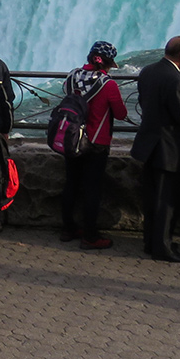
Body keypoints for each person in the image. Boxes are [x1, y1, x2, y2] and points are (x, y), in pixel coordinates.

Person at [132, 36, 180, 263]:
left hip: (148, 144)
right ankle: (163, 248)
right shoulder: (174, 79)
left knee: (152, 198)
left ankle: (151, 242)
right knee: (167, 201)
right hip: (168, 149)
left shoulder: (147, 71)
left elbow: (145, 103)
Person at [58, 41, 127, 250]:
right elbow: (121, 114)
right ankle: (90, 235)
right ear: (107, 64)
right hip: (97, 142)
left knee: (71, 184)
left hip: (72, 139)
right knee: (92, 189)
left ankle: (68, 228)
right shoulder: (108, 85)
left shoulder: (72, 77)